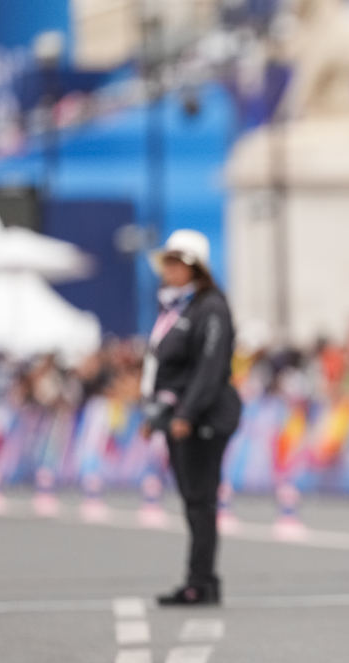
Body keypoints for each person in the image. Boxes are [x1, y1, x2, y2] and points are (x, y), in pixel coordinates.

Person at [140, 230, 242, 606]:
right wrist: (154, 414)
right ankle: (202, 579)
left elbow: (210, 368)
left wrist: (187, 412)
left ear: (193, 267)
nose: (167, 269)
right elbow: (167, 370)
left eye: (175, 262)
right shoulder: (174, 308)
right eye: (166, 261)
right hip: (180, 417)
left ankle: (201, 582)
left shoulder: (211, 307)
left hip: (206, 418)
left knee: (200, 500)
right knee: (191, 500)